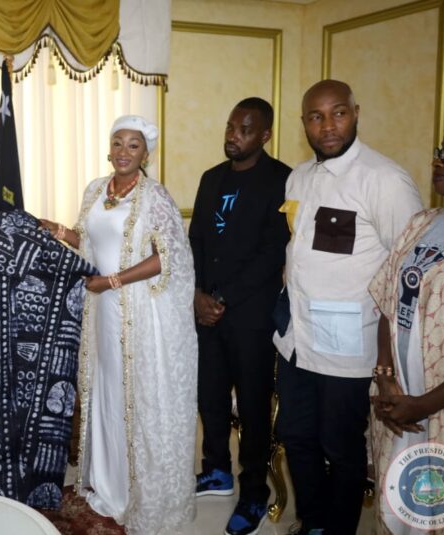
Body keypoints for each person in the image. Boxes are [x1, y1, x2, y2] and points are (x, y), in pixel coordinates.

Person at [272, 80, 423, 534]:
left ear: (356, 113)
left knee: (340, 446)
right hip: (295, 338)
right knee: (295, 435)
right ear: (304, 124)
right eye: (316, 117)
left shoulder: (384, 180)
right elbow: (297, 247)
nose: (328, 125)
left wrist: (391, 358)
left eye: (338, 113)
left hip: (347, 346)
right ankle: (312, 522)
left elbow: (408, 270)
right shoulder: (298, 176)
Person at [40, 115, 198, 534]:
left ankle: (136, 494)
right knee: (106, 391)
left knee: (137, 396)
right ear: (108, 148)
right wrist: (50, 228)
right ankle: (106, 483)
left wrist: (112, 281)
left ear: (146, 153)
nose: (123, 152)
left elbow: (169, 256)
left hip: (140, 314)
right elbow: (84, 238)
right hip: (101, 313)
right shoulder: (95, 189)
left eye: (133, 145)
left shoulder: (155, 198)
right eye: (117, 143)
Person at [368, 116, 444, 533]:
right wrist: (385, 377)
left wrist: (426, 403)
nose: (438, 162)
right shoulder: (421, 224)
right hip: (398, 397)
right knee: (399, 502)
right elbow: (386, 300)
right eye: (439, 152)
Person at [190, 97, 291, 535]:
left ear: (264, 134)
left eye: (244, 129)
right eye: (231, 127)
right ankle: (215, 469)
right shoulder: (211, 178)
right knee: (209, 396)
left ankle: (253, 493)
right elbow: (194, 240)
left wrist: (222, 298)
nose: (233, 135)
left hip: (250, 317)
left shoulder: (281, 179)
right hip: (205, 311)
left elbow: (273, 253)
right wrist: (196, 295)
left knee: (252, 407)